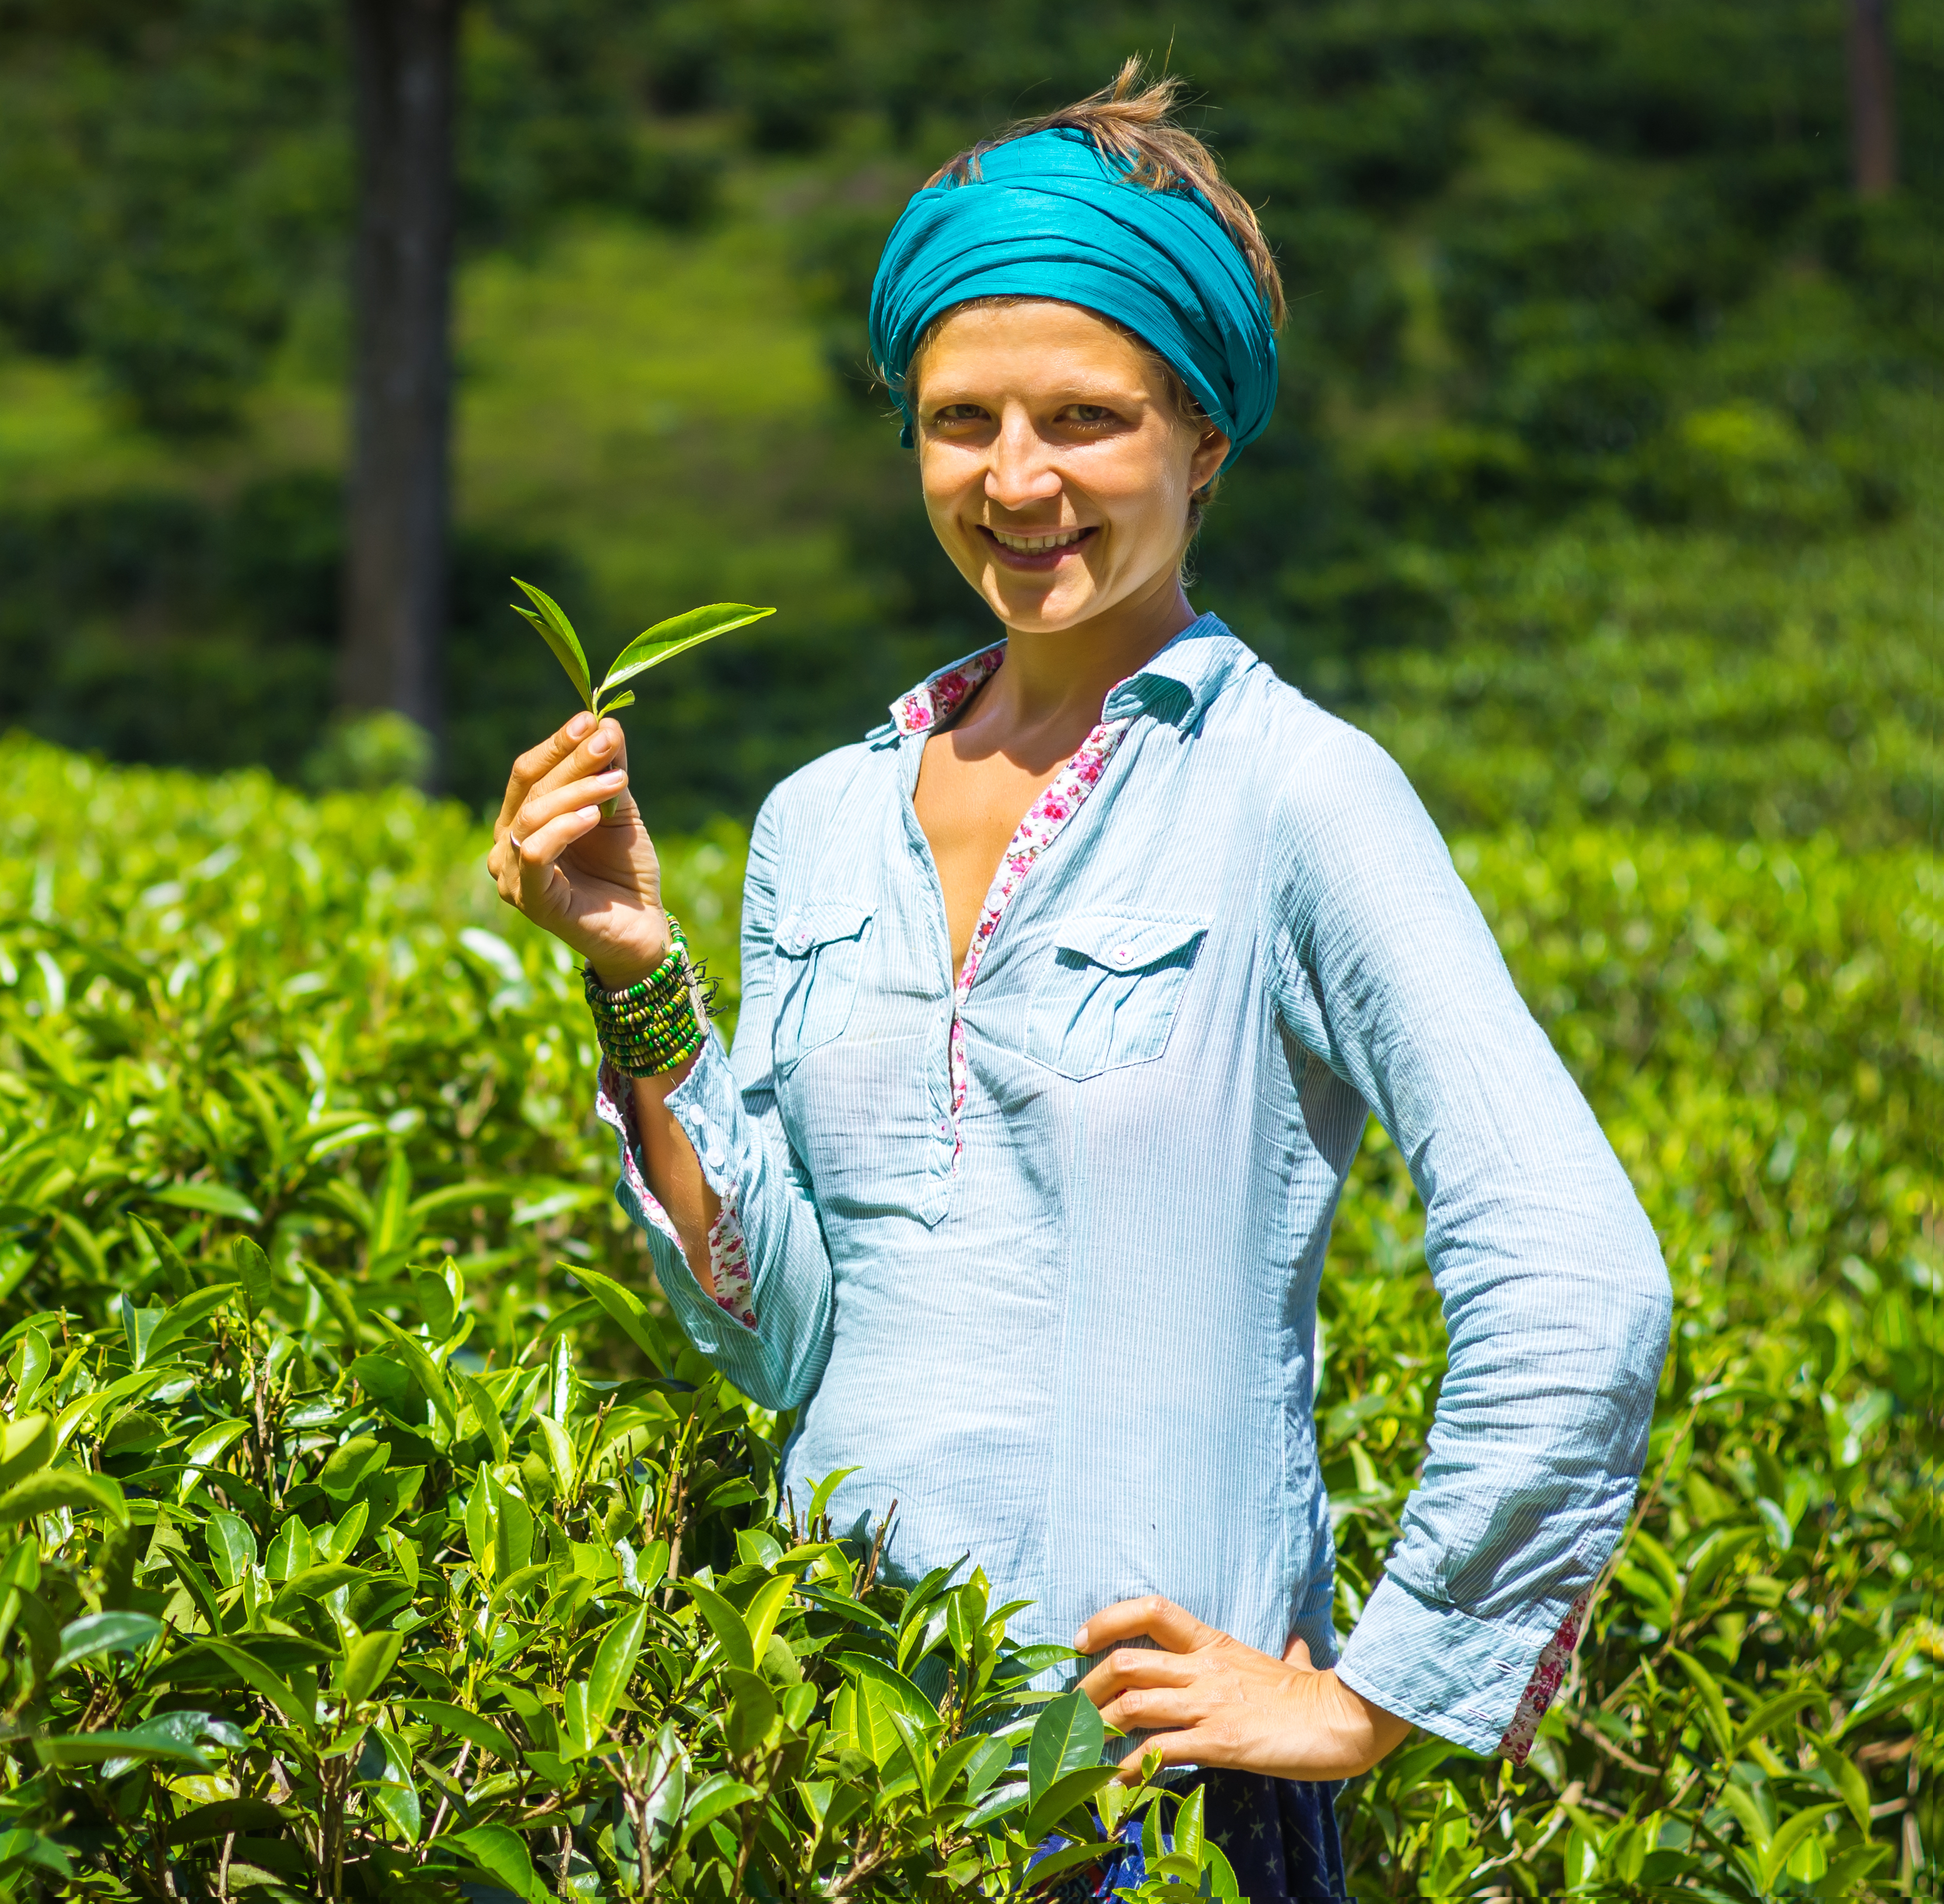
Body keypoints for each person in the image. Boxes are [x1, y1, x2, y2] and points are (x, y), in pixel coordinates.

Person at [485, 61, 1672, 1899]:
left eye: (1086, 420)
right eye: (962, 421)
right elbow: (787, 1334)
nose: (1016, 482)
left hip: (1144, 1810)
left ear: (1204, 440)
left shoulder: (1299, 794)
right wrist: (638, 980)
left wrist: (1374, 1692)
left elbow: (1574, 1272)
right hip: (831, 1769)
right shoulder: (823, 817)